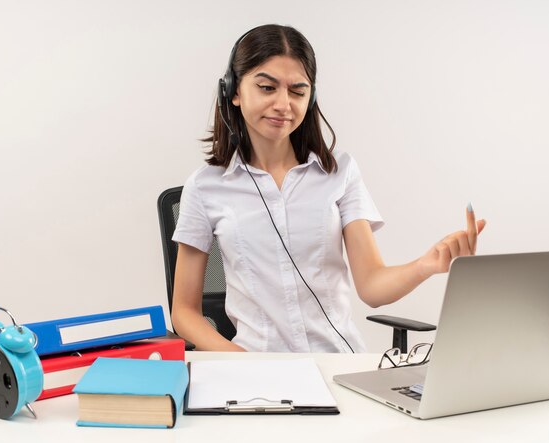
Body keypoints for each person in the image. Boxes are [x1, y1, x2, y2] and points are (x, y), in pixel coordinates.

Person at [171, 24, 486, 353]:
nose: (283, 104)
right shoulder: (206, 187)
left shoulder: (340, 172)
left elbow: (372, 286)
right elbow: (185, 312)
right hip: (258, 372)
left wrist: (427, 264)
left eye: (297, 91)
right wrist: (243, 362)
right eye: (267, 87)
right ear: (233, 91)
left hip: (337, 363)